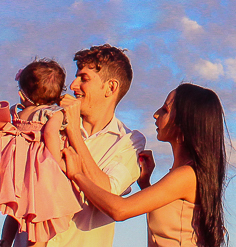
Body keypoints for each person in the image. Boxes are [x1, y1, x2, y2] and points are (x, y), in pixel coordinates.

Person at [63, 83, 228, 247]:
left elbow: (120, 210)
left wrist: (77, 174)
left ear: (184, 123)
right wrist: (145, 185)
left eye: (165, 110)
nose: (156, 114)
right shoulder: (184, 174)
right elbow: (171, 222)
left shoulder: (186, 175)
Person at [29, 45, 147, 247]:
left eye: (83, 79)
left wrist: (74, 132)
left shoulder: (129, 142)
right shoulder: (51, 123)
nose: (73, 85)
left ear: (111, 87)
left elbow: (108, 194)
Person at [0, 59, 81, 247]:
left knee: (16, 209)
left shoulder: (18, 113)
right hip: (40, 170)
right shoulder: (54, 113)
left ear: (22, 94)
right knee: (41, 216)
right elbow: (49, 134)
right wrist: (57, 163)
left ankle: (6, 239)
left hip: (18, 170)